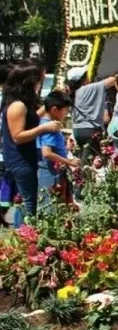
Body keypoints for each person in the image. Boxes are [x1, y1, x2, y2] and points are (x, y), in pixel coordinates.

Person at [3, 64, 61, 220]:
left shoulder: (22, 104)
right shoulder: (17, 106)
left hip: (25, 157)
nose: (39, 84)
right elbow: (18, 136)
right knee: (28, 204)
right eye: (38, 80)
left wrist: (47, 105)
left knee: (27, 201)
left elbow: (32, 118)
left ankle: (22, 237)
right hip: (19, 159)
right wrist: (45, 128)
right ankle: (23, 238)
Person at [37, 90, 78, 209]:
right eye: (65, 110)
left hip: (51, 170)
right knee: (49, 207)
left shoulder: (45, 123)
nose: (67, 113)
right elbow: (47, 153)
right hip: (50, 172)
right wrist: (70, 162)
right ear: (54, 109)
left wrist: (66, 148)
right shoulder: (51, 127)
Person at [69, 67, 118, 163]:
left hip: (77, 130)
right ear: (83, 79)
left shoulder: (73, 93)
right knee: (92, 163)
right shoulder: (90, 88)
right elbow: (112, 80)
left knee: (84, 158)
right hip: (90, 131)